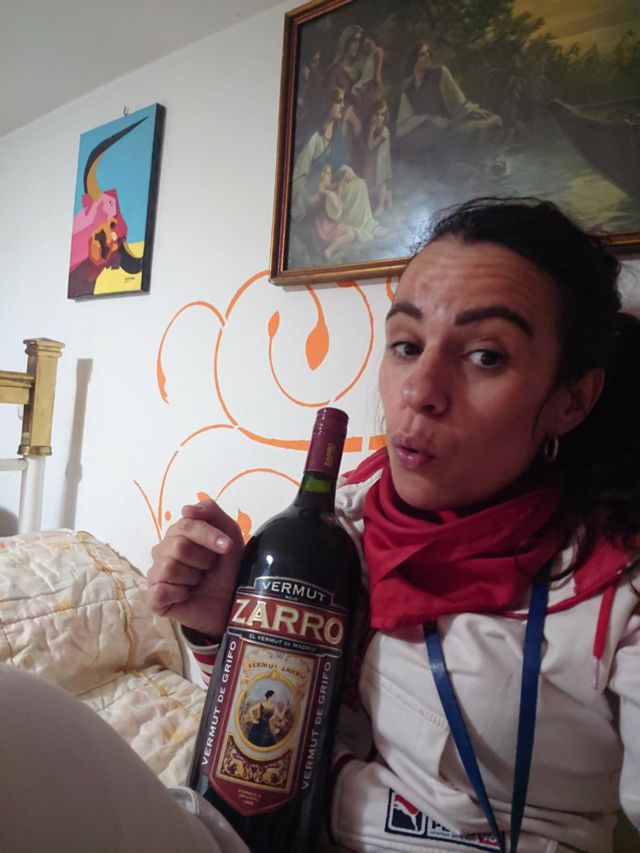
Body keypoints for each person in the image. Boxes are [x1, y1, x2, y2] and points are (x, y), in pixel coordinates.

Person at [147, 197, 640, 852]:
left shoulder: (616, 588)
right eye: (407, 345)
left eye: (485, 356)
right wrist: (223, 631)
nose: (419, 390)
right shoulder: (343, 523)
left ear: (571, 400)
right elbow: (270, 733)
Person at [396, 42, 502, 169]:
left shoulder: (440, 73)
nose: (427, 56)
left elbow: (457, 99)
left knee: (487, 123)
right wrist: (430, 119)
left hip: (449, 126)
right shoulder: (408, 89)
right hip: (429, 135)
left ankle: (487, 163)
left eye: (428, 52)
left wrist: (473, 110)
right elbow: (404, 122)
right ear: (414, 61)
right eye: (422, 54)